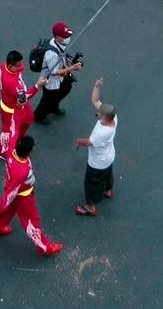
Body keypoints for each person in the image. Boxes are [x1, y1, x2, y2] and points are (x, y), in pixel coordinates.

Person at [0, 134, 61, 255]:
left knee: (8, 211)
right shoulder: (21, 171)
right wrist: (1, 207)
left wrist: (2, 208)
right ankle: (45, 247)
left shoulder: (11, 152)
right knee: (32, 221)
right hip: (23, 197)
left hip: (12, 186)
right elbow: (11, 193)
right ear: (30, 151)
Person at [73, 77, 117, 216]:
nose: (97, 113)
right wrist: (96, 87)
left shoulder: (102, 133)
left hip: (97, 163)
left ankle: (90, 207)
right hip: (108, 157)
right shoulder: (114, 118)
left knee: (91, 183)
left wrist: (79, 141)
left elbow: (89, 142)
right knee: (108, 173)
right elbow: (96, 101)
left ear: (105, 117)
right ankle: (107, 190)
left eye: (100, 114)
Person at [33, 22, 80, 121]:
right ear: (58, 37)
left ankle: (54, 106)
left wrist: (72, 63)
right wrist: (72, 68)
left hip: (61, 77)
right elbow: (55, 71)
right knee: (47, 100)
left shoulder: (58, 43)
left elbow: (63, 56)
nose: (68, 38)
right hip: (50, 81)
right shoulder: (51, 54)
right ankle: (39, 116)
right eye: (66, 36)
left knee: (66, 87)